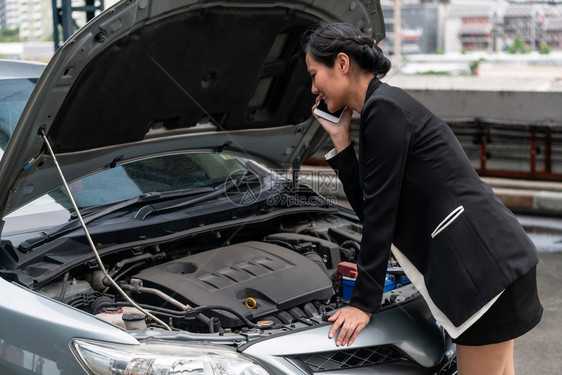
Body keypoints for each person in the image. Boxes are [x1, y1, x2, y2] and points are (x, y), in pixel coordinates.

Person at [303, 23, 543, 375]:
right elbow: (374, 209)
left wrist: (363, 304)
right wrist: (341, 140)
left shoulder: (384, 110)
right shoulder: (381, 108)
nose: (313, 88)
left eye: (314, 74)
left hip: (484, 275)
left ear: (341, 63)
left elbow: (381, 217)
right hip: (496, 266)